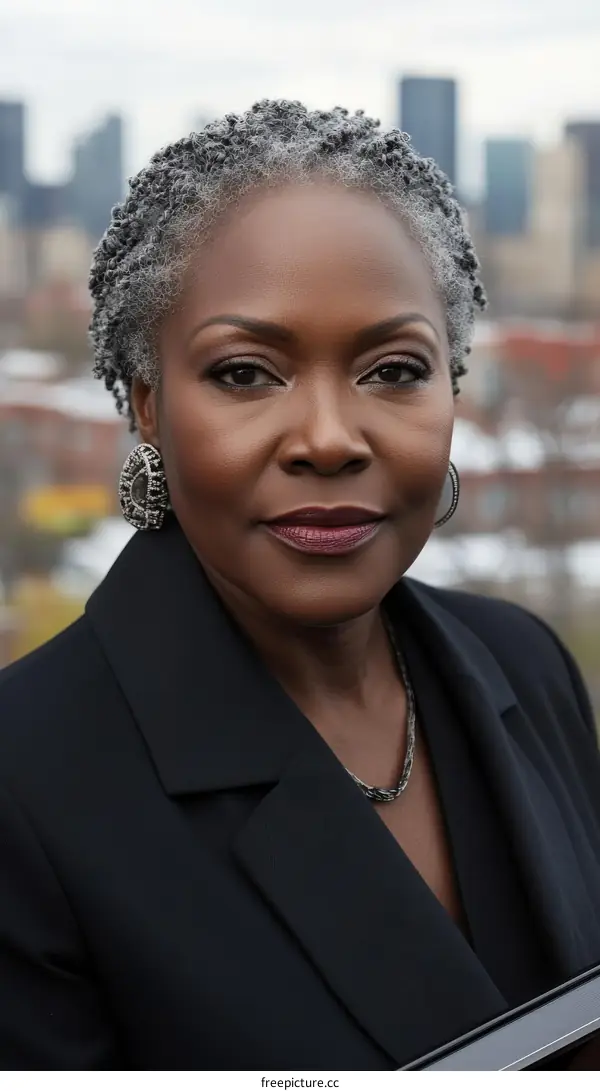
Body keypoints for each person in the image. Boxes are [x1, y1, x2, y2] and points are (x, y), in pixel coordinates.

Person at [1, 100, 600, 1072]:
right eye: (246, 373)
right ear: (148, 404)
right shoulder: (24, 782)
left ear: (454, 387)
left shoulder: (527, 667)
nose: (329, 437)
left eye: (395, 368)